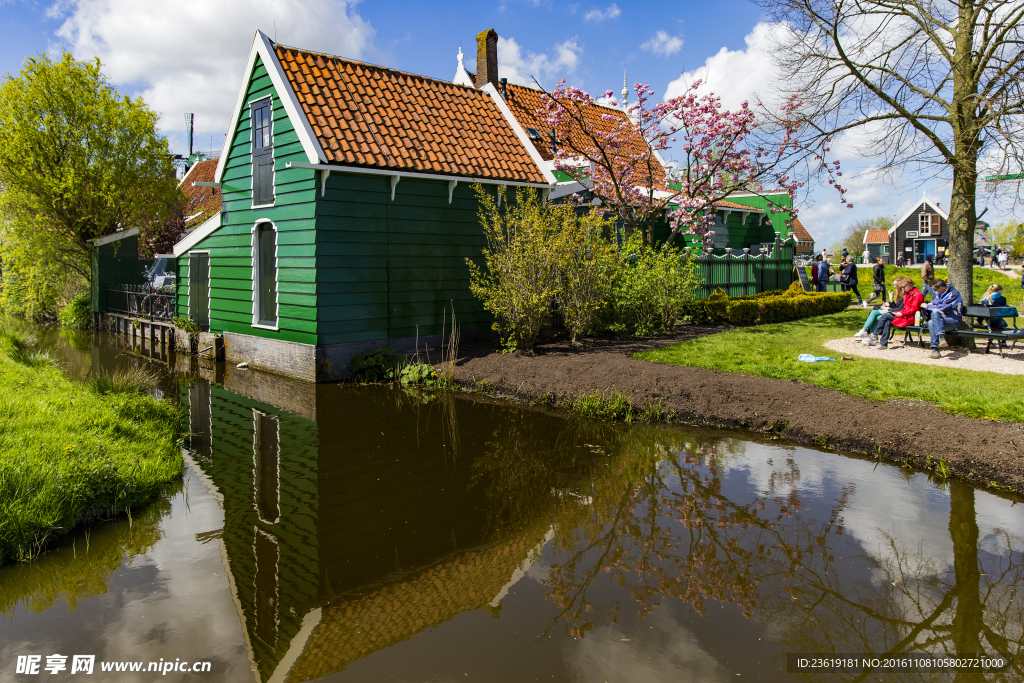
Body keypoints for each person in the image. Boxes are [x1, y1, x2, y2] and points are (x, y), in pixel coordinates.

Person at [868, 276, 923, 349]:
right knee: (887, 321)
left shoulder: (917, 294)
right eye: (901, 287)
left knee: (885, 315)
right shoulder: (908, 293)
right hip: (905, 316)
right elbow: (903, 308)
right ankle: (883, 344)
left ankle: (875, 334)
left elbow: (914, 309)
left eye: (904, 287)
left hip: (911, 318)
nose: (902, 289)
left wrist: (901, 313)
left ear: (910, 284)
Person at [925, 278, 963, 358]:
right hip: (940, 321)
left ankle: (941, 338)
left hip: (953, 320)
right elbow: (937, 301)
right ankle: (936, 349)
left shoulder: (954, 294)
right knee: (930, 322)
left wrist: (927, 306)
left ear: (942, 287)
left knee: (935, 312)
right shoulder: (941, 292)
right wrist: (931, 303)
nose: (935, 291)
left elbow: (944, 308)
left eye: (935, 290)